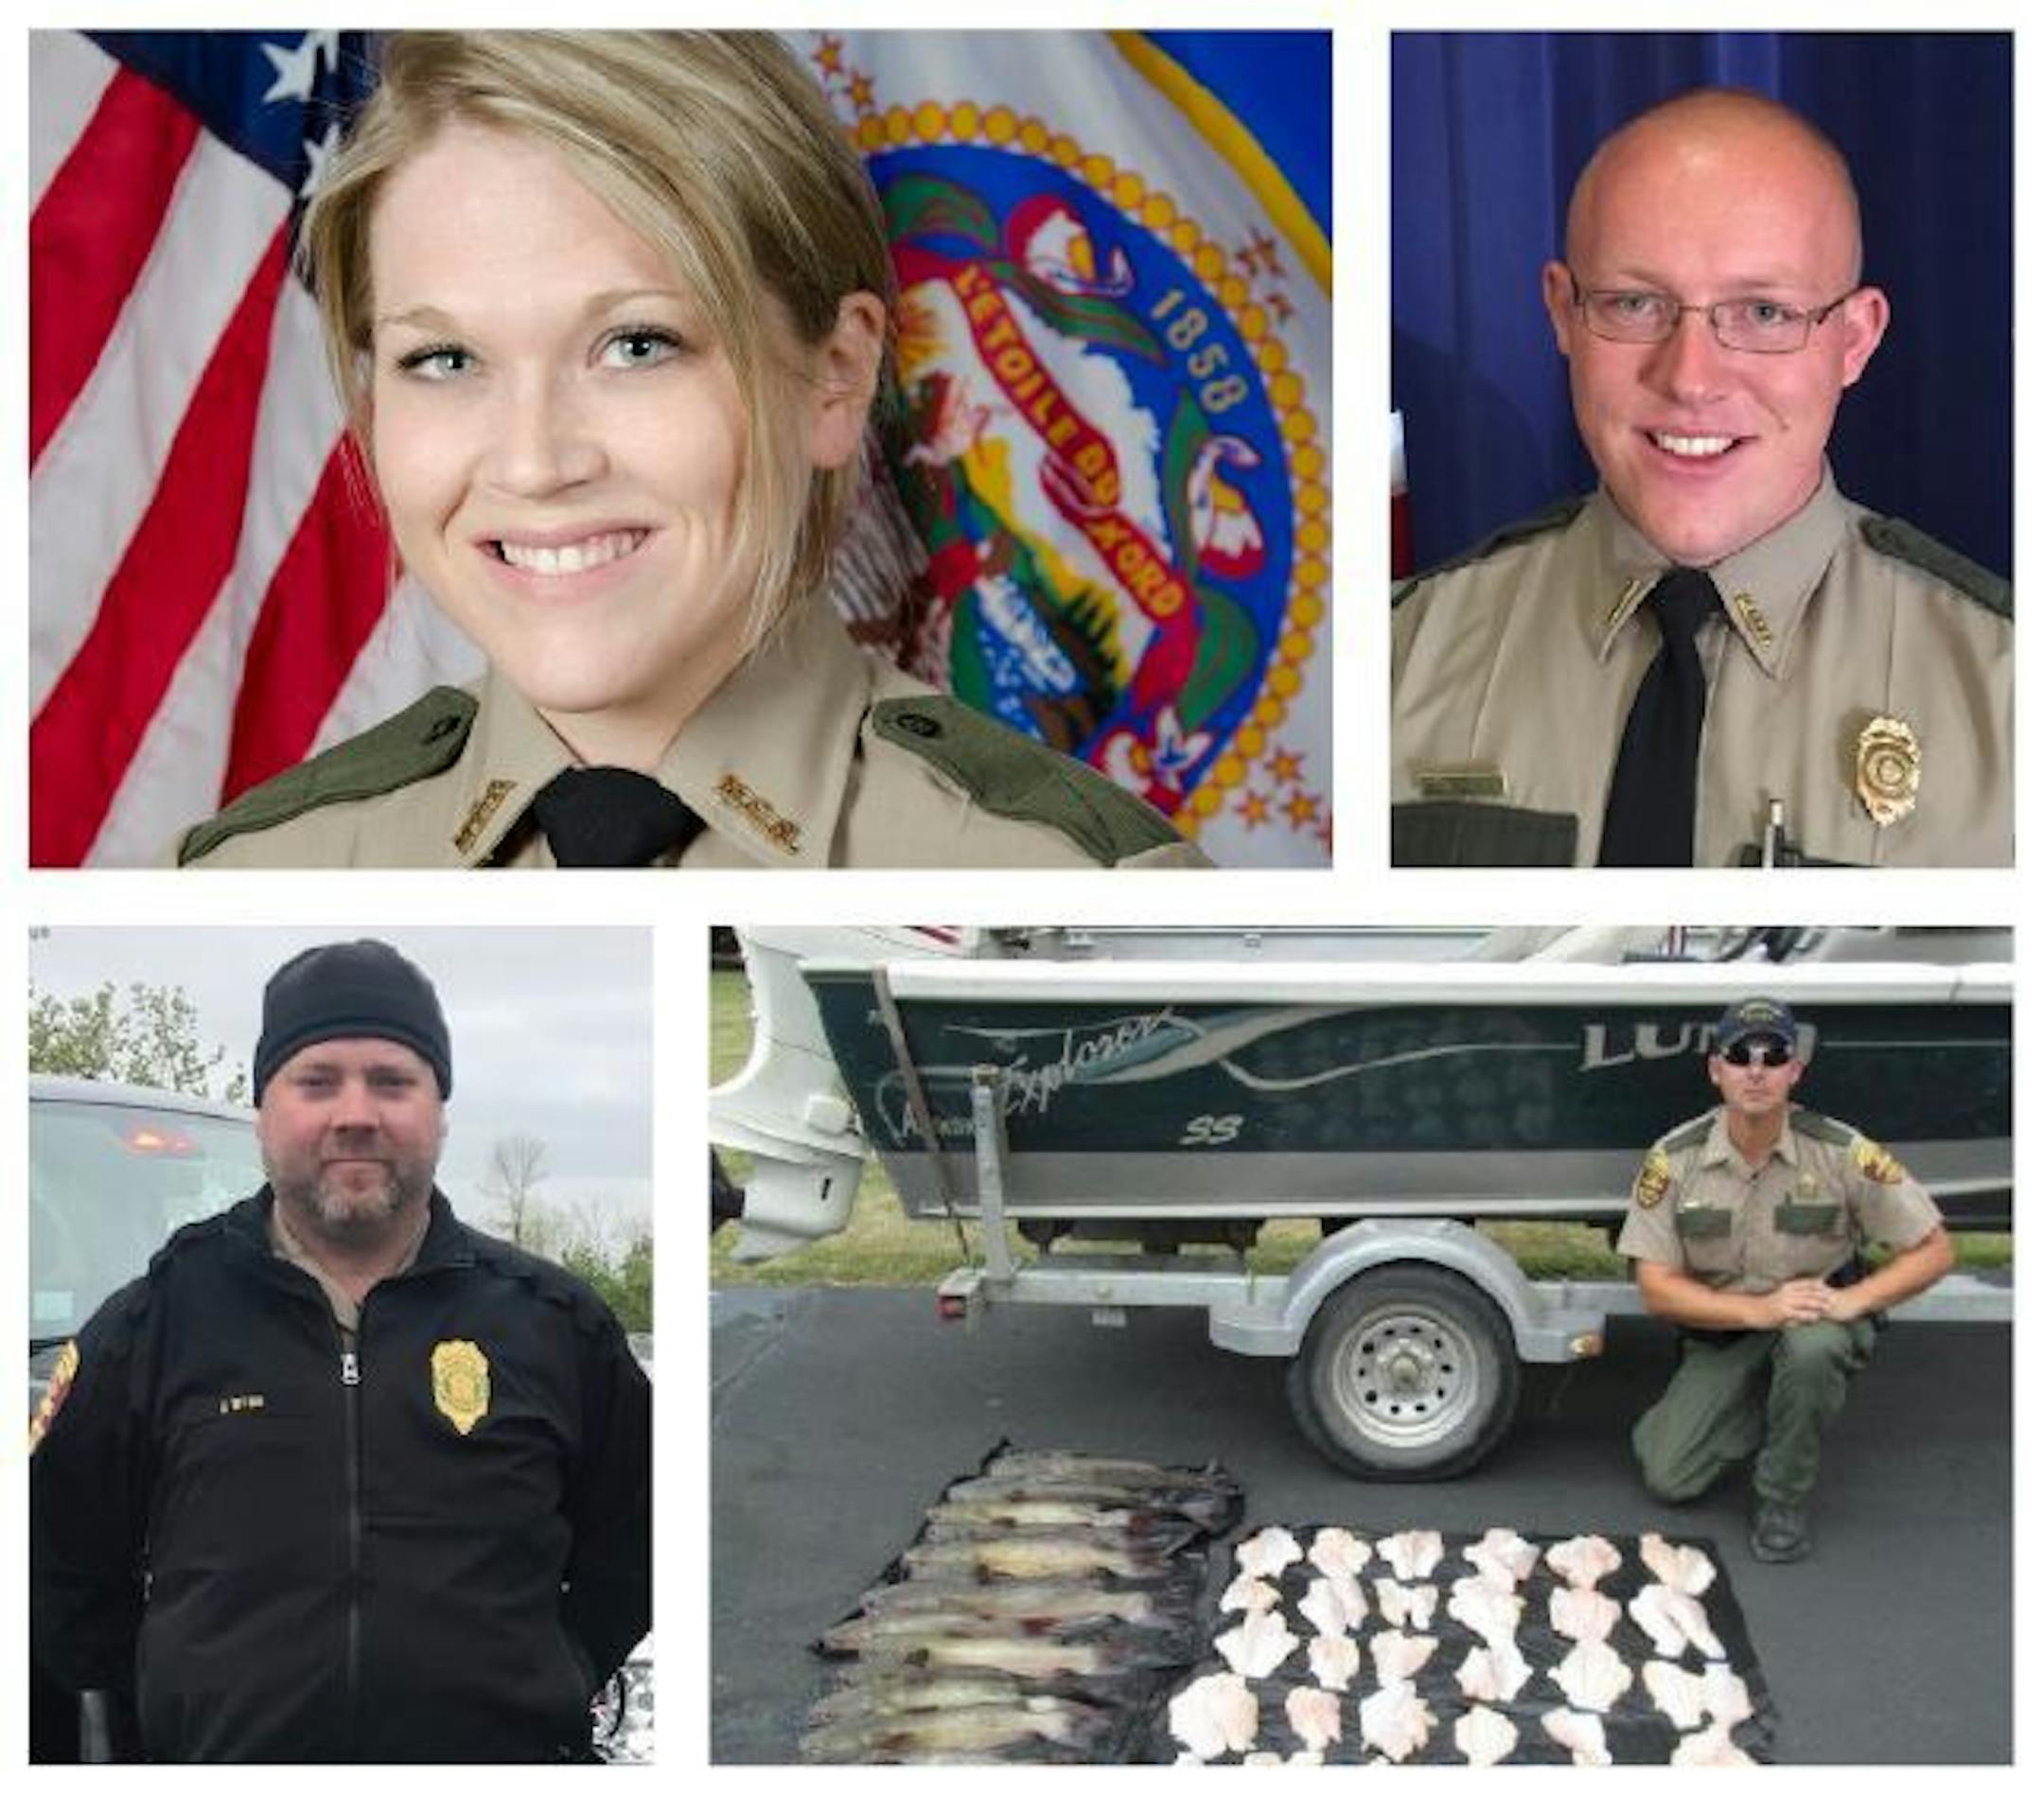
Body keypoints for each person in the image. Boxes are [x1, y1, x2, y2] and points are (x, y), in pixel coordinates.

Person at [170, 32, 1206, 870]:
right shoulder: (250, 879)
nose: (533, 463)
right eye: (444, 359)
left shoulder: (1082, 887)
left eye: (637, 345)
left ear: (836, 375)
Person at [28, 940, 651, 1761]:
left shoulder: (553, 1325)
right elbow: (56, 1557)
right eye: (316, 1081)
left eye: (392, 1081)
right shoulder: (157, 1322)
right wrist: (170, 1692)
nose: (355, 1113)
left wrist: (559, 1672)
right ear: (264, 1110)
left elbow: (641, 1537)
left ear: (439, 1111)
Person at [1391, 88, 2011, 868]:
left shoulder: (2011, 694)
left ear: (1854, 340)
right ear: (1562, 312)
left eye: (1762, 314)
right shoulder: (1394, 657)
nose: (1690, 377)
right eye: (1635, 303)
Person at [1616, 996, 1954, 1563]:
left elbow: (1936, 1249)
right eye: (1740, 1055)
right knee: (1668, 1475)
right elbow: (1655, 1286)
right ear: (1716, 1069)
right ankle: (1756, 1400)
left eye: (1773, 1056)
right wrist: (1759, 1312)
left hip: (1814, 1319)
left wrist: (1855, 1302)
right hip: (1732, 1327)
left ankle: (1782, 1497)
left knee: (1812, 1351)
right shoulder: (1675, 1160)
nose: (1756, 1069)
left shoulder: (1841, 1153)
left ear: (1794, 1071)